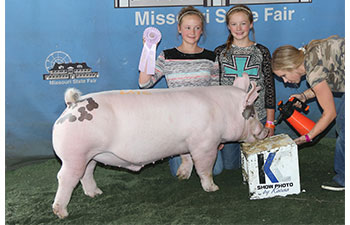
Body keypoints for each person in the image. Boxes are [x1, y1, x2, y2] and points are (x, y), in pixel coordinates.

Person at [138, 6, 224, 177]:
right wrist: (147, 50)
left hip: (204, 122)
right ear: (179, 29)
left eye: (197, 28)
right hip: (178, 122)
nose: (192, 32)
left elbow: (217, 95)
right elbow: (144, 83)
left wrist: (218, 134)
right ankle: (183, 155)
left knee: (217, 170)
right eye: (187, 27)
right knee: (182, 174)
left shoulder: (211, 57)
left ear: (202, 31)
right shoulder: (166, 55)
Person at [271, 35, 345, 191]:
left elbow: (330, 113)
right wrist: (304, 96)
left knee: (345, 128)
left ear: (292, 65)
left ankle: (344, 178)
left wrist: (308, 136)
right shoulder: (310, 56)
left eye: (284, 75)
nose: (284, 81)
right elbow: (323, 84)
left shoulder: (312, 69)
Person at [214, 5, 276, 170]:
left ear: (251, 24)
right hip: (229, 118)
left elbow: (269, 87)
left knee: (257, 166)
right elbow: (214, 89)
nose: (239, 28)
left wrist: (269, 121)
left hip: (257, 116)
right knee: (230, 166)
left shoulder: (261, 51)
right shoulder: (220, 52)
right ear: (228, 26)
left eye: (243, 23)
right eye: (234, 24)